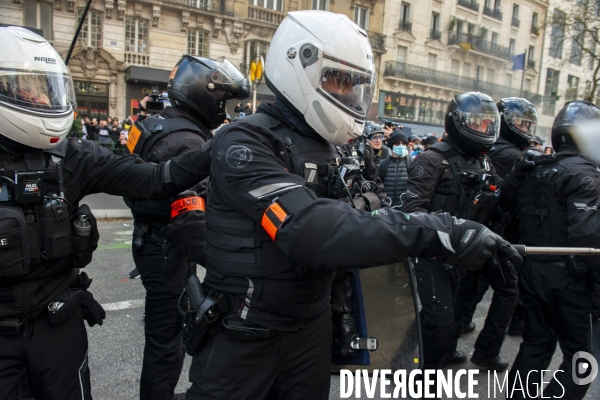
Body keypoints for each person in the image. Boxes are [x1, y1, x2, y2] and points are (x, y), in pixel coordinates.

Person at [186, 12, 520, 400]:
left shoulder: (330, 146)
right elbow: (311, 230)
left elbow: (353, 227)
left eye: (355, 84)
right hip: (244, 333)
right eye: (337, 80)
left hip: (309, 326)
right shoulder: (246, 141)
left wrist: (340, 312)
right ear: (298, 62)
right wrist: (434, 231)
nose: (347, 94)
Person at [0, 26, 213, 400]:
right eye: (26, 88)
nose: (40, 97)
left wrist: (222, 147)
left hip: (58, 321)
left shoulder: (73, 156)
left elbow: (158, 177)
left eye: (46, 87)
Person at [124, 55, 249, 400]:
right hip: (169, 249)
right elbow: (192, 220)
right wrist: (238, 264)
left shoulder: (157, 122)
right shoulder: (188, 142)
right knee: (167, 345)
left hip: (152, 238)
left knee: (163, 340)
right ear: (202, 94)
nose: (224, 108)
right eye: (222, 99)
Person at [402, 92, 519, 372]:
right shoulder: (432, 159)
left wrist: (522, 175)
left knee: (446, 317)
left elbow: (500, 198)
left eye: (487, 124)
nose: (483, 129)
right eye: (476, 123)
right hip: (434, 253)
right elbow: (413, 210)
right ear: (458, 122)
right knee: (439, 320)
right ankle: (422, 378)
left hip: (465, 253)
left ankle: (410, 356)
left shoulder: (483, 161)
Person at [504, 100, 600, 400]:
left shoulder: (536, 169)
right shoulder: (585, 174)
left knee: (536, 344)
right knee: (582, 359)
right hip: (570, 275)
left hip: (533, 269)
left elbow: (508, 211)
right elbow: (588, 235)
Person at [462, 98, 539, 338]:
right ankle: (489, 345)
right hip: (503, 229)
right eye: (522, 124)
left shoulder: (490, 149)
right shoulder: (514, 156)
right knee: (508, 288)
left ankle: (460, 324)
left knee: (474, 282)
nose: (526, 130)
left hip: (482, 225)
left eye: (528, 124)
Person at [378, 129, 413, 207]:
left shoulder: (412, 163)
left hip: (404, 209)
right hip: (386, 208)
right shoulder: (382, 164)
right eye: (397, 143)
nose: (401, 146)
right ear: (392, 146)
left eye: (403, 143)